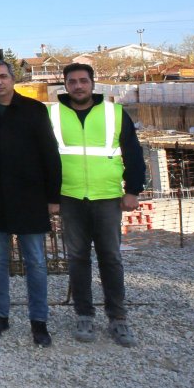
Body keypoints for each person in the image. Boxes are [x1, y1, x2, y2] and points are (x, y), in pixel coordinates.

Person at [0, 60, 61, 347]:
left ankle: (39, 321)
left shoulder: (34, 110)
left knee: (36, 262)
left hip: (31, 198)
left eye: (3, 76)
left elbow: (49, 154)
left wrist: (53, 197)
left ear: (12, 78)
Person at [50, 62, 147, 348]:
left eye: (83, 81)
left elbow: (133, 153)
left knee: (110, 258)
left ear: (93, 84)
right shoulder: (53, 114)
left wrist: (133, 190)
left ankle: (118, 317)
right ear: (65, 85)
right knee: (77, 258)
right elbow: (44, 157)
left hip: (106, 197)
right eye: (72, 81)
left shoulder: (114, 113)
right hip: (70, 196)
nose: (78, 86)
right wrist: (50, 197)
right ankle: (84, 314)